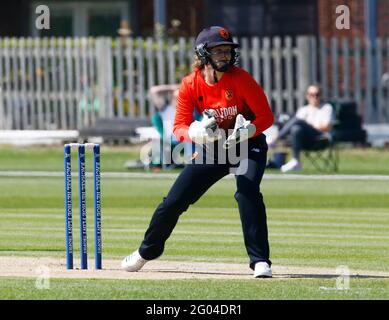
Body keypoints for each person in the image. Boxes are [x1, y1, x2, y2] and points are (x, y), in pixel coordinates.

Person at [121, 26, 274, 278]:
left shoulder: (241, 78)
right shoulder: (190, 84)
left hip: (248, 146)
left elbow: (266, 117)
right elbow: (178, 126)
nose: (226, 56)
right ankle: (146, 252)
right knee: (174, 201)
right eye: (219, 51)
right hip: (214, 148)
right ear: (204, 54)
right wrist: (194, 134)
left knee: (247, 192)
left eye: (228, 51)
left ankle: (260, 261)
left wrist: (249, 131)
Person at [268, 84, 335, 173]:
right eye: (311, 95)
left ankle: (274, 139)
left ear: (321, 95)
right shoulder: (303, 109)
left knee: (298, 121)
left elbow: (326, 127)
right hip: (304, 140)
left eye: (317, 94)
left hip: (320, 139)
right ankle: (296, 161)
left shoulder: (327, 108)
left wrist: (308, 125)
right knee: (296, 128)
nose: (314, 97)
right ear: (307, 96)